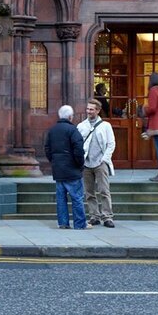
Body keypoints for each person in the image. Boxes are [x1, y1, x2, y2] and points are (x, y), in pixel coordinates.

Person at [42, 104, 87, 229]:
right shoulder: (73, 130)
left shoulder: (52, 130)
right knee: (77, 198)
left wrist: (54, 161)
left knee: (61, 199)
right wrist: (80, 164)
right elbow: (78, 150)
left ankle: (63, 223)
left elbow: (47, 149)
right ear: (70, 117)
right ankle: (79, 224)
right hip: (72, 170)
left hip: (58, 169)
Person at [79, 98, 117, 228]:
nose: (88, 111)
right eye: (88, 109)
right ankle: (94, 216)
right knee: (89, 192)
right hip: (86, 164)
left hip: (100, 163)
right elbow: (78, 144)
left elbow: (111, 143)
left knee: (104, 190)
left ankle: (107, 217)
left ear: (98, 111)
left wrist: (105, 159)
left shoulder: (106, 126)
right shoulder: (81, 126)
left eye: (91, 109)